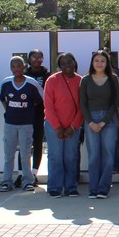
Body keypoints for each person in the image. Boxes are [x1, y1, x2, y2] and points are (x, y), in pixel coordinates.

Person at [80, 50, 119, 199]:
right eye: (97, 60)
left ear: (107, 63)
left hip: (108, 119)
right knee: (94, 156)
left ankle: (103, 188)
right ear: (92, 62)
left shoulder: (113, 79)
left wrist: (104, 121)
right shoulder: (85, 79)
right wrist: (91, 122)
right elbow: (82, 104)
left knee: (109, 155)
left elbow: (116, 102)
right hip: (90, 119)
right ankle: (93, 188)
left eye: (103, 61)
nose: (99, 63)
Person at [0, 56, 43, 192]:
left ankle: (27, 181)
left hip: (26, 124)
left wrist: (27, 110)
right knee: (9, 154)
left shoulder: (31, 83)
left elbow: (40, 99)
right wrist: (9, 110)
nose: (17, 69)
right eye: (14, 66)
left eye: (19, 66)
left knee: (25, 153)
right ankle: (7, 181)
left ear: (24, 67)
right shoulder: (6, 82)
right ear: (11, 68)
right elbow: (2, 98)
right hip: (10, 123)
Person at [44, 53, 84, 198]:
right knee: (55, 156)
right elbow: (48, 105)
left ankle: (71, 187)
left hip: (73, 126)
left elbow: (82, 107)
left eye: (69, 62)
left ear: (75, 62)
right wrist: (57, 126)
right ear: (59, 66)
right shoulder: (52, 80)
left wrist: (73, 126)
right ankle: (54, 187)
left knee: (71, 156)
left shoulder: (81, 81)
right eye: (63, 63)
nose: (67, 65)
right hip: (53, 125)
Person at [20, 49, 49, 188]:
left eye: (39, 57)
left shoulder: (47, 75)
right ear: (29, 59)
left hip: (40, 114)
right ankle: (22, 174)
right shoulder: (24, 75)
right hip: (25, 114)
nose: (37, 59)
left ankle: (34, 173)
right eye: (34, 57)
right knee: (24, 144)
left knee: (37, 144)